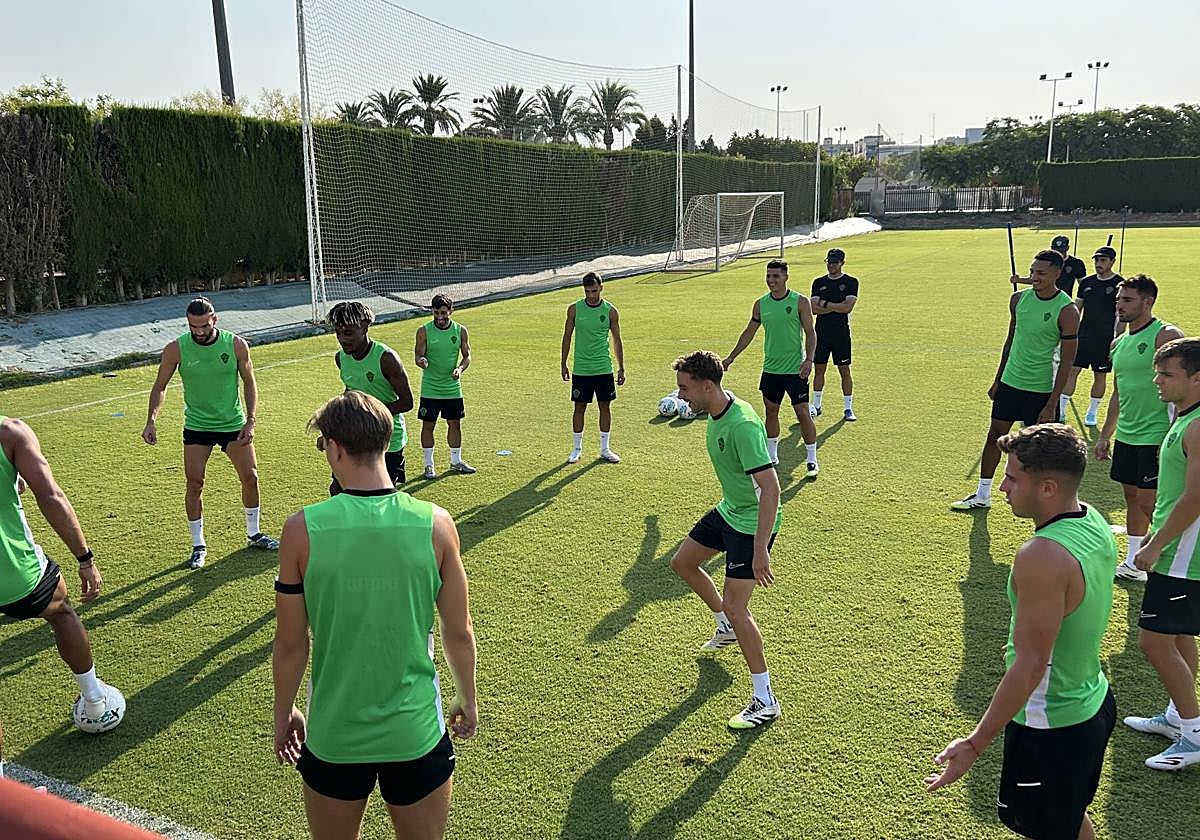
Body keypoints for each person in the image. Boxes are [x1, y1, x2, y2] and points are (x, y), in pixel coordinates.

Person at [273, 391, 478, 839]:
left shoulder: (301, 530)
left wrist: (284, 713)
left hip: (334, 734)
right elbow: (458, 632)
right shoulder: (436, 523)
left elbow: (290, 644)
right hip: (416, 732)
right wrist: (468, 699)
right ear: (384, 443)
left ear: (336, 447)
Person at [928, 424, 1117, 840]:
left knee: (1048, 827)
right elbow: (1073, 610)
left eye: (1013, 477)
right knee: (1066, 818)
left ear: (1047, 488)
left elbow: (1032, 665)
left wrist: (974, 744)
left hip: (1052, 722)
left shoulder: (1042, 554)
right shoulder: (1092, 521)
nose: (1002, 487)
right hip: (1093, 702)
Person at [668, 350, 782, 729]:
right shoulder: (715, 412)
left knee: (738, 606)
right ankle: (725, 626)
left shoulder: (742, 426)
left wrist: (759, 550)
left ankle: (765, 700)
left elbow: (771, 489)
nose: (680, 396)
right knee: (682, 562)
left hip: (751, 524)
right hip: (731, 509)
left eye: (684, 388)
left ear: (706, 384)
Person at [0, 417, 123, 734]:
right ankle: (94, 700)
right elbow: (50, 496)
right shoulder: (10, 432)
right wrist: (85, 559)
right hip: (13, 572)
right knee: (60, 610)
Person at [142, 297, 278, 569]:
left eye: (204, 325)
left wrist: (250, 421)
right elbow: (160, 386)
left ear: (214, 319)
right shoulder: (176, 349)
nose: (199, 331)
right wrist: (151, 420)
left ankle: (254, 533)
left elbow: (249, 383)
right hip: (197, 427)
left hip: (233, 425)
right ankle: (198, 545)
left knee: (250, 478)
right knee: (194, 484)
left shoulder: (236, 344)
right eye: (194, 326)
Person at [952, 251, 1079, 511]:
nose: (1034, 277)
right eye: (1032, 272)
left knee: (1039, 451)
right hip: (1011, 383)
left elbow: (1067, 362)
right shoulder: (1018, 300)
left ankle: (1041, 503)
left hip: (1041, 389)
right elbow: (1010, 342)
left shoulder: (1067, 310)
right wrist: (998, 379)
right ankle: (982, 495)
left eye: (1041, 273)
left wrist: (1052, 403)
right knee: (994, 437)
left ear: (1057, 273)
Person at [1124, 337, 1200, 771]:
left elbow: (1195, 497)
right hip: (1181, 551)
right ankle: (1178, 716)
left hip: (1184, 554)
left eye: (1167, 374)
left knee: (1153, 642)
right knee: (1176, 634)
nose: (1157, 381)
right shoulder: (1185, 415)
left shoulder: (1197, 425)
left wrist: (1154, 545)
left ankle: (1193, 735)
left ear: (1196, 378)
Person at [1095, 276, 1183, 582]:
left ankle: (1166, 559)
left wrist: (1172, 435)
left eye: (1127, 300)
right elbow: (1119, 391)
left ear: (1148, 302)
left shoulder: (1165, 335)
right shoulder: (1118, 343)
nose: (1119, 305)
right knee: (1132, 497)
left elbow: (1184, 383)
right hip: (1128, 435)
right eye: (1119, 300)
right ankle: (1134, 561)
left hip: (1157, 434)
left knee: (1150, 502)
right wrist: (1106, 434)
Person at [723, 259, 819, 477]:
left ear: (786, 277)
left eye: (775, 276)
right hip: (771, 370)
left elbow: (811, 333)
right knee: (771, 411)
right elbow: (749, 332)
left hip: (796, 370)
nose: (771, 280)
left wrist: (809, 360)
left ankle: (811, 458)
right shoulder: (761, 304)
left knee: (803, 412)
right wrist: (731, 358)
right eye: (768, 276)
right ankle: (771, 454)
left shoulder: (800, 302)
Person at [327, 301, 414, 494]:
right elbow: (351, 391)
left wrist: (369, 413)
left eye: (348, 333)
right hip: (355, 435)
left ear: (365, 327)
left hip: (387, 440)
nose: (342, 339)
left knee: (382, 497)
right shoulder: (341, 358)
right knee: (338, 489)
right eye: (338, 333)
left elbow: (407, 402)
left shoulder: (386, 358)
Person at [560, 272, 625, 464]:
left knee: (605, 406)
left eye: (594, 291)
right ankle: (576, 449)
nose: (591, 295)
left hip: (603, 368)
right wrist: (563, 363)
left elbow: (617, 340)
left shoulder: (610, 311)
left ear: (601, 288)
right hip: (581, 369)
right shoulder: (574, 310)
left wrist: (621, 368)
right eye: (587, 291)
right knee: (579, 407)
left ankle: (605, 448)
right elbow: (567, 337)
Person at [1060, 246, 1123, 426]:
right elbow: (1076, 308)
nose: (1098, 264)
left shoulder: (1119, 284)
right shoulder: (1086, 283)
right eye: (1096, 260)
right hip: (1083, 336)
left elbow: (1120, 315)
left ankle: (1092, 412)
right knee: (1072, 371)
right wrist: (1069, 330)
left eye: (1103, 260)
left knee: (1099, 375)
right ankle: (1062, 409)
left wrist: (1117, 337)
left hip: (1104, 339)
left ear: (1112, 261)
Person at [415, 295, 475, 479]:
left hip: (452, 388)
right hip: (430, 388)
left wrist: (460, 369)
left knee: (455, 424)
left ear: (451, 311)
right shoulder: (424, 331)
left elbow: (467, 356)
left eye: (443, 313)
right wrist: (422, 361)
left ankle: (456, 461)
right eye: (436, 313)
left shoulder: (460, 330)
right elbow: (418, 356)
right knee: (428, 426)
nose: (440, 317)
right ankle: (429, 465)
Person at [810, 248, 858, 422]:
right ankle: (816, 406)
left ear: (842, 263)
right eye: (829, 262)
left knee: (844, 370)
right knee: (818, 370)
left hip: (841, 334)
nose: (831, 265)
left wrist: (825, 303)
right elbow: (813, 309)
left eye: (835, 262)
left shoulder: (851, 282)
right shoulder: (818, 282)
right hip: (821, 333)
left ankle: (848, 408)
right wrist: (835, 305)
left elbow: (847, 308)